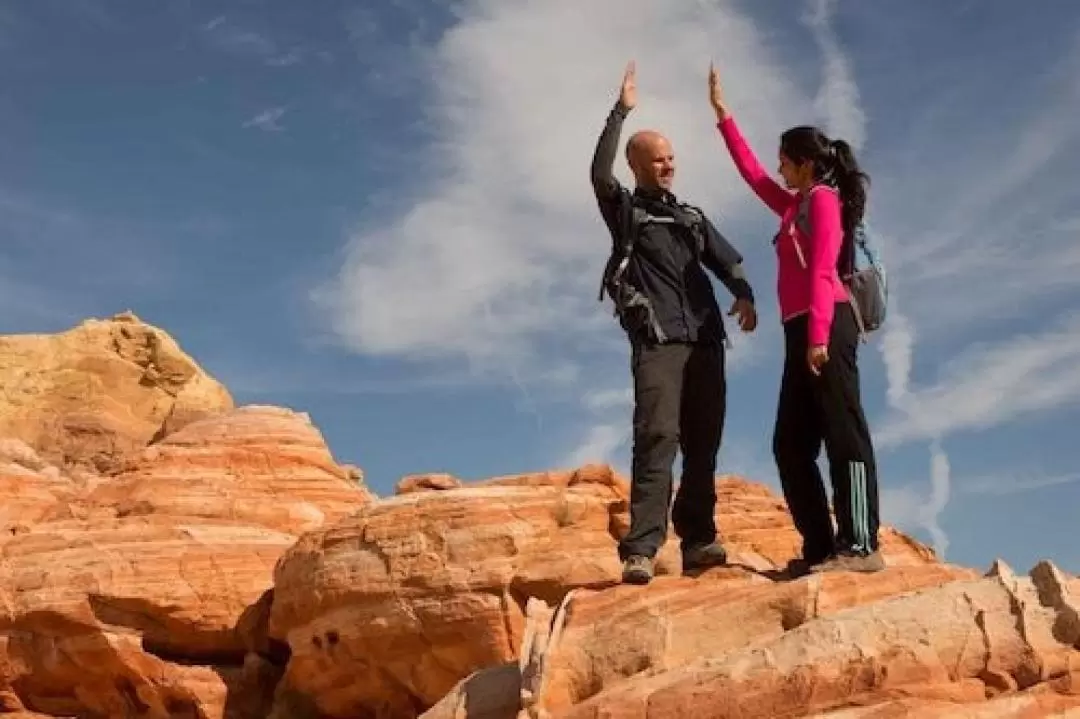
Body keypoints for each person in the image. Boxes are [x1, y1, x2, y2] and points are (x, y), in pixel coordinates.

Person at [706, 63, 884, 574]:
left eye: (785, 161)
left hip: (827, 327)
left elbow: (825, 268)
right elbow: (753, 175)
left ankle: (861, 546)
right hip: (799, 331)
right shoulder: (794, 204)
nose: (779, 168)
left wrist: (820, 337)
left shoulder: (824, 202)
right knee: (790, 444)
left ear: (805, 164)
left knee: (843, 433)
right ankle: (822, 547)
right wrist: (723, 116)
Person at [590, 61, 759, 585]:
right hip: (659, 341)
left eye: (671, 158)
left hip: (707, 338)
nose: (667, 166)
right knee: (657, 435)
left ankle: (699, 540)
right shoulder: (625, 210)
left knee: (703, 441)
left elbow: (728, 262)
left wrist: (746, 294)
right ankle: (641, 548)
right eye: (657, 160)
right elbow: (598, 174)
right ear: (638, 165)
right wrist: (621, 111)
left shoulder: (689, 216)